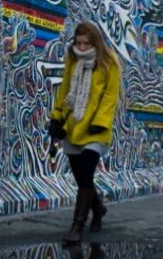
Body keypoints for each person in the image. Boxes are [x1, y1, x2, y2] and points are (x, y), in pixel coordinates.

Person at [49, 21, 122, 245]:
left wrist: (100, 123)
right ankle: (98, 208)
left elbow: (110, 97)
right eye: (78, 43)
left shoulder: (109, 62)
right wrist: (57, 117)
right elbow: (65, 89)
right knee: (83, 177)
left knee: (86, 171)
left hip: (96, 129)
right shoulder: (73, 58)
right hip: (74, 125)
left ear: (95, 42)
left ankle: (77, 226)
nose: (81, 47)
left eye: (85, 43)